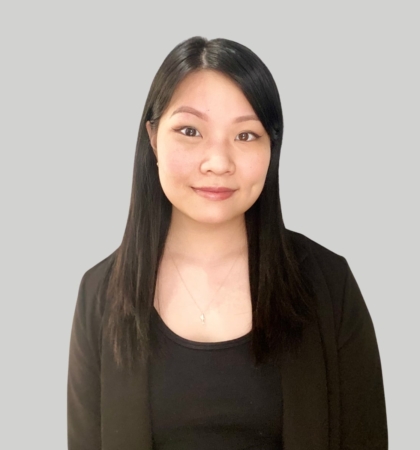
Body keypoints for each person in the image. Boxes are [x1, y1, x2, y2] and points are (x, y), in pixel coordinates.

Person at [67, 36, 388, 450]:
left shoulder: (330, 285)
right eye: (190, 130)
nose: (217, 161)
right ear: (152, 138)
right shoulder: (100, 295)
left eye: (245, 136)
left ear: (272, 147)